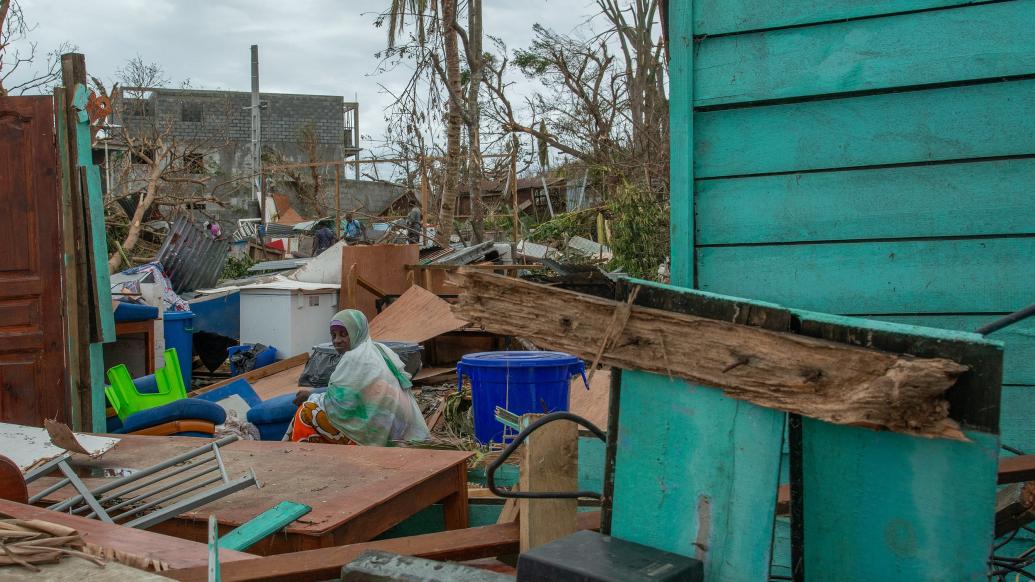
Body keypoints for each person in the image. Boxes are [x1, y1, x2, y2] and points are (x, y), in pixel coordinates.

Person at [288, 309, 429, 446]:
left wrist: (311, 397)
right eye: (333, 335)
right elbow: (352, 393)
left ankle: (303, 456)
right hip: (396, 430)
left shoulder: (355, 357)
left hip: (375, 434)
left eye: (343, 334)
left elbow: (336, 404)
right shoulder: (377, 349)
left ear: (357, 332)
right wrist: (313, 393)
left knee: (306, 411)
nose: (337, 340)